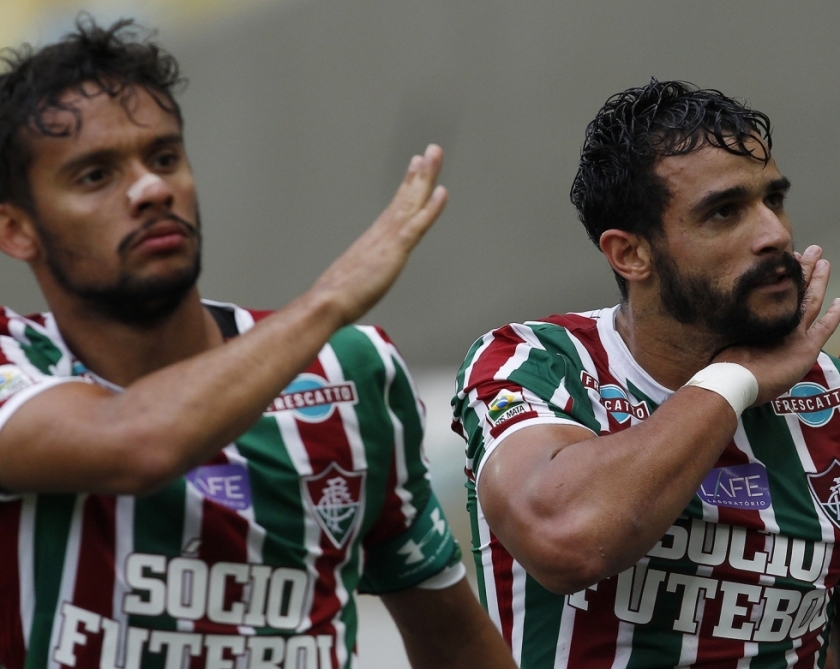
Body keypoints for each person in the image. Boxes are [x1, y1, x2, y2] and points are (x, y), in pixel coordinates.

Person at [0, 19, 514, 669]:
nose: (152, 189)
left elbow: (455, 638)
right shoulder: (14, 362)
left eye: (163, 158)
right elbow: (135, 442)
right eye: (96, 175)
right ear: (17, 229)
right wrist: (330, 299)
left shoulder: (347, 370)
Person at [451, 80, 840, 668]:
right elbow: (566, 537)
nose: (774, 234)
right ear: (630, 254)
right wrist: (734, 379)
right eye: (725, 212)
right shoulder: (535, 363)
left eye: (772, 200)